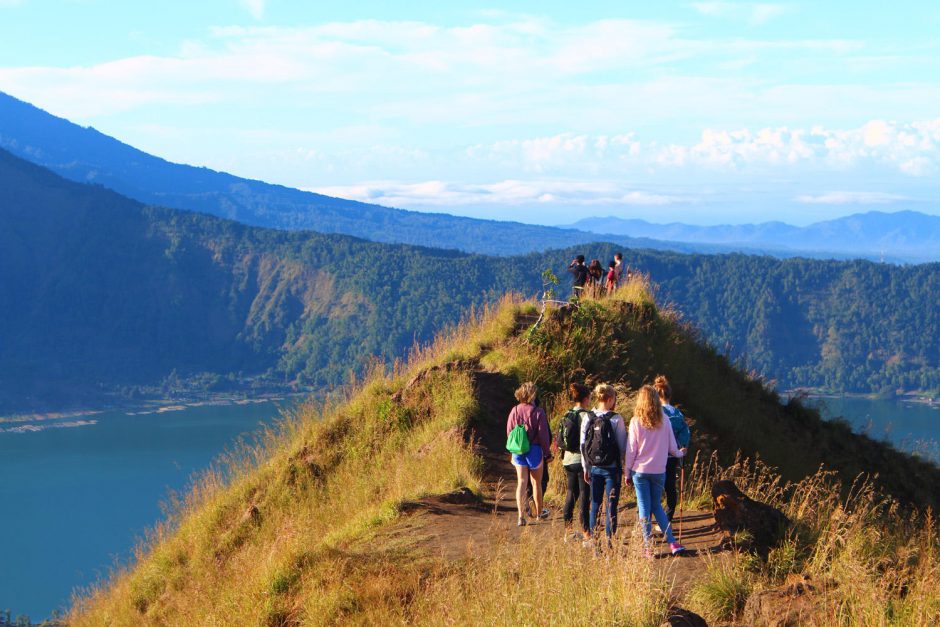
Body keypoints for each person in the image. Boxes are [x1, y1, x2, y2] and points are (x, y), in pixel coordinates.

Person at [625, 385, 687, 556]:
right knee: (657, 506)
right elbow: (672, 447)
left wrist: (627, 471)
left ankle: (647, 546)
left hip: (640, 471)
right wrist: (680, 453)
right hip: (659, 471)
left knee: (644, 507)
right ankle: (673, 542)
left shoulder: (636, 421)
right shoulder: (665, 420)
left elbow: (631, 450)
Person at [581, 384, 627, 542]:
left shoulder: (588, 417)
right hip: (611, 469)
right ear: (609, 399)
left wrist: (585, 467)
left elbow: (583, 445)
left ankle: (594, 541)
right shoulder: (616, 418)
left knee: (595, 505)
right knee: (611, 506)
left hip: (593, 467)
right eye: (614, 398)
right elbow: (622, 446)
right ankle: (610, 541)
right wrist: (624, 466)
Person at [506, 381, 551, 526]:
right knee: (536, 483)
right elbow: (543, 435)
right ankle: (539, 514)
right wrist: (547, 453)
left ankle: (520, 516)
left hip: (519, 450)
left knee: (521, 482)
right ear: (532, 394)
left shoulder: (515, 410)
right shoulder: (538, 412)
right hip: (535, 450)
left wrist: (514, 448)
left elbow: (509, 432)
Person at [556, 383, 592, 541]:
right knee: (585, 494)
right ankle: (586, 532)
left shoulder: (567, 414)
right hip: (582, 460)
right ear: (585, 399)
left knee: (571, 492)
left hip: (568, 460)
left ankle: (568, 530)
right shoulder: (588, 416)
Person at [654, 375, 691, 521]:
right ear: (669, 395)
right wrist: (681, 449)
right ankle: (666, 519)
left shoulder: (654, 414)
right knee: (670, 488)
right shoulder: (677, 414)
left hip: (655, 456)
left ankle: (644, 522)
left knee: (653, 490)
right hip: (672, 455)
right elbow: (685, 434)